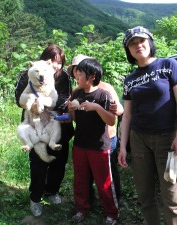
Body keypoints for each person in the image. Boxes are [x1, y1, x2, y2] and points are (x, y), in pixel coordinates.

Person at [118, 26, 177, 225]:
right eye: (132, 44)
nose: (138, 45)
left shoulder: (168, 65)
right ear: (128, 50)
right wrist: (123, 146)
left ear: (150, 43)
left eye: (142, 41)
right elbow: (128, 115)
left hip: (167, 139)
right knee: (145, 195)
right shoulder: (130, 80)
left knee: (172, 197)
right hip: (139, 140)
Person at [15, 44, 74, 217]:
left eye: (60, 63)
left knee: (58, 161)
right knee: (39, 163)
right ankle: (35, 198)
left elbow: (64, 99)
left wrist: (48, 104)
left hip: (59, 126)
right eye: (54, 61)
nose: (56, 66)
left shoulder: (64, 78)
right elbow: (18, 98)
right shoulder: (28, 74)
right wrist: (34, 103)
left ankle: (52, 191)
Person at [68, 58, 119, 225]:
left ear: (91, 76)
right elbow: (75, 119)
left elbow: (111, 121)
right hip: (80, 144)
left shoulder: (103, 94)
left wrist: (96, 108)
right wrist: (71, 110)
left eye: (80, 73)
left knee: (104, 181)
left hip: (99, 146)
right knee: (80, 179)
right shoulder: (76, 93)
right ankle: (82, 209)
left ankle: (111, 213)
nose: (76, 75)